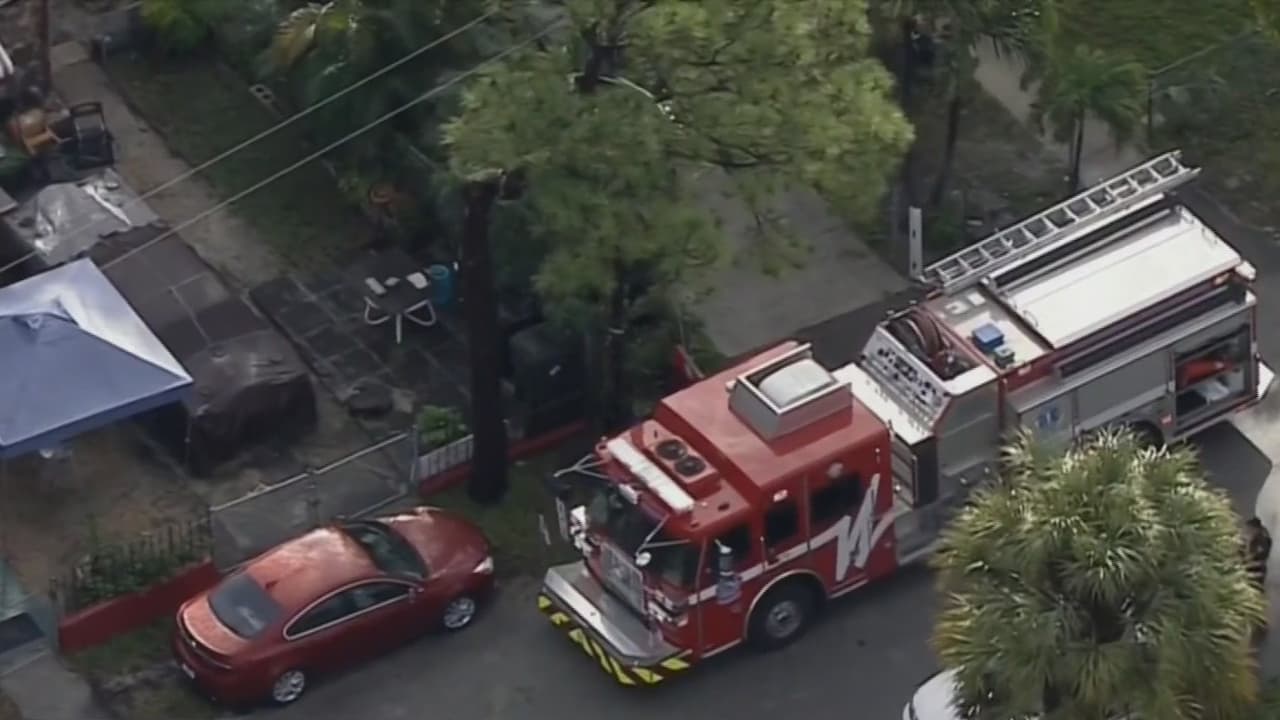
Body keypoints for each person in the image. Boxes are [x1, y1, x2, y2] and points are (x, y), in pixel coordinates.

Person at [1245, 517, 1271, 589]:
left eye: (1250, 529)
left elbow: (1260, 555)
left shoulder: (1263, 540)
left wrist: (1248, 558)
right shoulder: (1252, 538)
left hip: (1257, 569)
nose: (1248, 531)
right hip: (1250, 567)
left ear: (1256, 529)